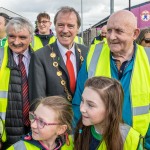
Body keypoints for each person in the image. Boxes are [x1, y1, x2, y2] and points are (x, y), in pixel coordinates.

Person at [72, 10, 150, 149]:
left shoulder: (148, 59)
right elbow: (79, 101)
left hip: (137, 143)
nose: (111, 37)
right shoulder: (94, 54)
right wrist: (79, 137)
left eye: (119, 31)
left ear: (135, 34)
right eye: (109, 30)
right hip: (96, 141)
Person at [29, 6, 88, 103]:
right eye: (60, 25)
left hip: (84, 116)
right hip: (54, 117)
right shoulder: (40, 57)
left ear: (77, 28)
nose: (65, 30)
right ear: (55, 27)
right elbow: (37, 100)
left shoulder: (87, 52)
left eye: (70, 26)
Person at [74, 76, 143, 150]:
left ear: (110, 110)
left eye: (90, 105)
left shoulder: (130, 139)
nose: (82, 109)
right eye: (82, 100)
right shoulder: (80, 130)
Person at [0, 17, 34, 149]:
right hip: (6, 131)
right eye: (12, 36)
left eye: (22, 37)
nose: (16, 41)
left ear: (31, 38)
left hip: (35, 129)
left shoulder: (40, 58)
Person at [8, 96, 74, 150]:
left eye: (41, 122)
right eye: (33, 116)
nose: (33, 125)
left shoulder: (72, 145)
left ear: (61, 129)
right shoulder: (19, 148)